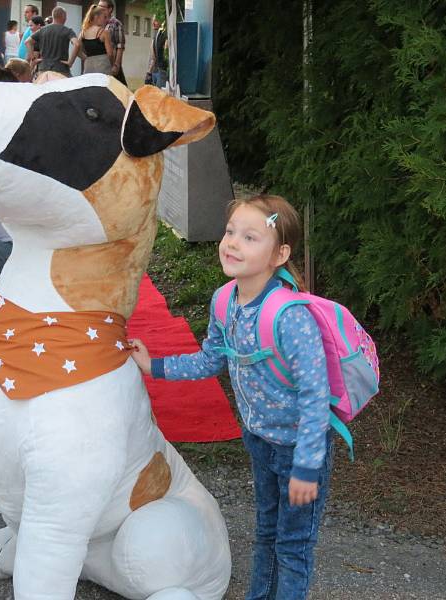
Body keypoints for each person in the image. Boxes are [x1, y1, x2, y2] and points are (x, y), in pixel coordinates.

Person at [131, 195, 333, 600]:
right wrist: (157, 367)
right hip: (259, 440)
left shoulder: (291, 316)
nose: (233, 243)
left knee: (292, 547)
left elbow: (316, 398)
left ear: (280, 254)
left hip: (298, 450)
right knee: (265, 533)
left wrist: (308, 467)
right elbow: (211, 360)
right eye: (230, 232)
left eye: (250, 237)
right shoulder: (225, 300)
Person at [25, 6, 78, 79]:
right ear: (64, 17)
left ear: (53, 16)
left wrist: (33, 59)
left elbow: (28, 41)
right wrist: (70, 62)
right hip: (61, 69)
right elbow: (77, 44)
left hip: (43, 69)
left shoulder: (42, 30)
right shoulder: (67, 31)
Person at [97, 0, 125, 84]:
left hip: (111, 63)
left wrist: (117, 65)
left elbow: (120, 46)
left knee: (118, 89)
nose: (99, 9)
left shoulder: (116, 24)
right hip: (99, 64)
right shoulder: (97, 23)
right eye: (98, 6)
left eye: (102, 7)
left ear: (110, 9)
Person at [79, 4, 112, 75]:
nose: (106, 20)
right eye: (104, 17)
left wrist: (86, 58)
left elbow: (77, 49)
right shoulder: (104, 32)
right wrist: (112, 65)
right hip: (103, 68)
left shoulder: (83, 33)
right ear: (97, 17)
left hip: (88, 68)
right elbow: (110, 54)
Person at [145, 16, 167, 88]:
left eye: (156, 21)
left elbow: (156, 56)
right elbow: (153, 56)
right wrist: (149, 72)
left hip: (161, 70)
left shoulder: (163, 35)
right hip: (155, 70)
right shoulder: (156, 35)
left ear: (162, 22)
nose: (153, 23)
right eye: (153, 20)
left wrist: (149, 72)